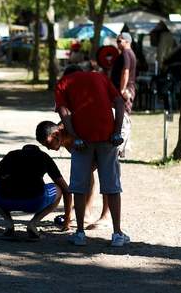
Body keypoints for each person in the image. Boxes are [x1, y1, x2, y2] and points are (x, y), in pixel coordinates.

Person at [54, 64, 129, 247]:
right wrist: (117, 131)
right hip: (107, 137)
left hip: (82, 140)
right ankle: (117, 233)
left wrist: (74, 136)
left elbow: (64, 112)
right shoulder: (100, 77)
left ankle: (79, 233)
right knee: (111, 185)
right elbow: (119, 102)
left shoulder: (62, 83)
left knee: (79, 185)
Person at [0, 144, 72, 240]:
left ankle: (9, 223)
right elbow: (66, 190)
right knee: (58, 189)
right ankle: (33, 224)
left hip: (5, 201)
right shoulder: (44, 157)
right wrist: (67, 218)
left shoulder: (11, 156)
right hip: (35, 202)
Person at [35, 120, 109, 229]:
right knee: (86, 171)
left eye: (48, 143)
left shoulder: (72, 130)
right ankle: (86, 212)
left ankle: (106, 216)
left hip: (105, 132)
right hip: (88, 142)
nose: (48, 148)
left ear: (56, 134)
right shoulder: (63, 137)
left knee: (106, 171)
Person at [111, 32, 137, 158]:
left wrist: (122, 89)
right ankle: (122, 149)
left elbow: (125, 71)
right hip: (126, 89)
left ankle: (119, 148)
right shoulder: (128, 53)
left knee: (124, 119)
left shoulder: (126, 53)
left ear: (127, 41)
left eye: (119, 41)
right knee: (121, 118)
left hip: (125, 90)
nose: (117, 43)